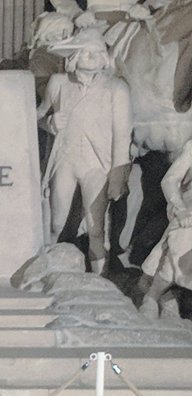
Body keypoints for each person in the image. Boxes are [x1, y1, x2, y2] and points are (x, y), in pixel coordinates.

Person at [37, 27, 132, 274]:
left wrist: (118, 176)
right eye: (85, 51)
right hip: (65, 160)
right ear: (74, 56)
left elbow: (122, 137)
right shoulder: (58, 83)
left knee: (96, 228)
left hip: (97, 164)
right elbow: (37, 115)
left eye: (97, 51)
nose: (92, 56)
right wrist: (49, 123)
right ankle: (48, 270)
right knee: (56, 222)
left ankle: (100, 279)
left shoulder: (116, 89)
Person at [140, 137, 192, 318]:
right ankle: (152, 297)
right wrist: (181, 209)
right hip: (188, 215)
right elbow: (169, 181)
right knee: (180, 245)